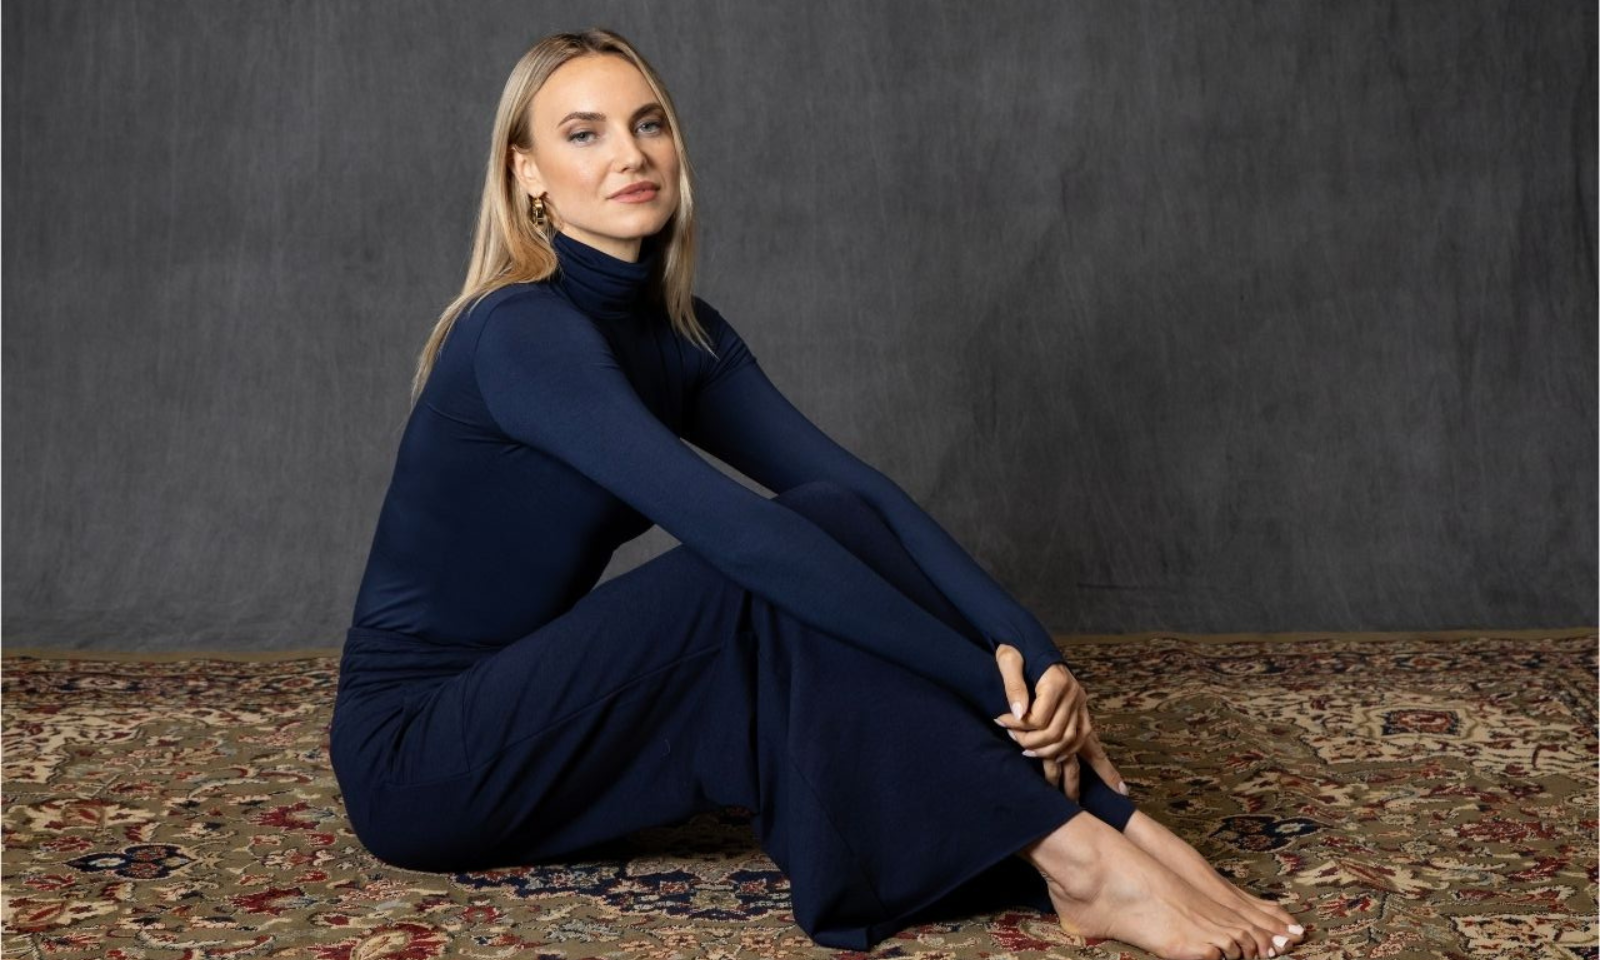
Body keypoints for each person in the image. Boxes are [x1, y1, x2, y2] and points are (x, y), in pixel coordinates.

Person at [328, 27, 1307, 959]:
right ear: (526, 172)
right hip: (422, 761)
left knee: (828, 521)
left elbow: (852, 492)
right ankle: (1077, 853)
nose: (629, 153)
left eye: (648, 123)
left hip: (538, 707)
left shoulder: (677, 334)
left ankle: (1103, 824)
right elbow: (743, 542)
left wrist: (1036, 657)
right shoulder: (520, 334)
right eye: (582, 134)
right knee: (748, 574)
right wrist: (991, 691)